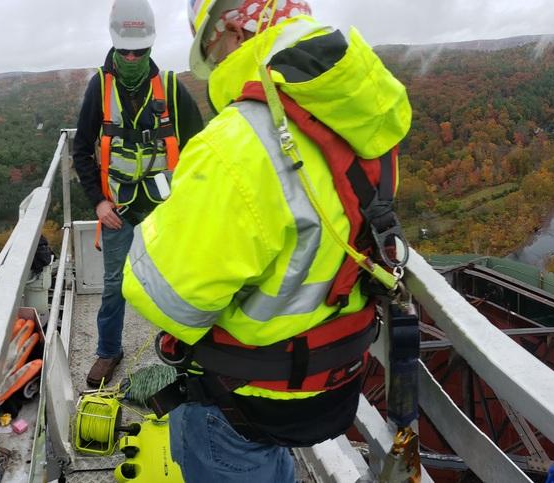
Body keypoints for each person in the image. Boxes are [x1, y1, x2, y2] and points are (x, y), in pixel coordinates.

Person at [122, 0, 412, 481]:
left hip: (246, 395)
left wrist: (165, 224)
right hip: (334, 378)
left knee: (238, 456)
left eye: (210, 52)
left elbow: (169, 301)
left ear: (234, 28)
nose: (213, 66)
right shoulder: (366, 114)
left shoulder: (237, 143)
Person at [74, 0, 204, 388]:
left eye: (139, 51)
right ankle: (108, 351)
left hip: (164, 210)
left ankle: (175, 346)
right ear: (114, 43)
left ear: (151, 46)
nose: (131, 57)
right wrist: (98, 201)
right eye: (125, 50)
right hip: (118, 210)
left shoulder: (170, 87)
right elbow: (81, 149)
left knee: (172, 280)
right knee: (115, 285)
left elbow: (198, 150)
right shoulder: (100, 86)